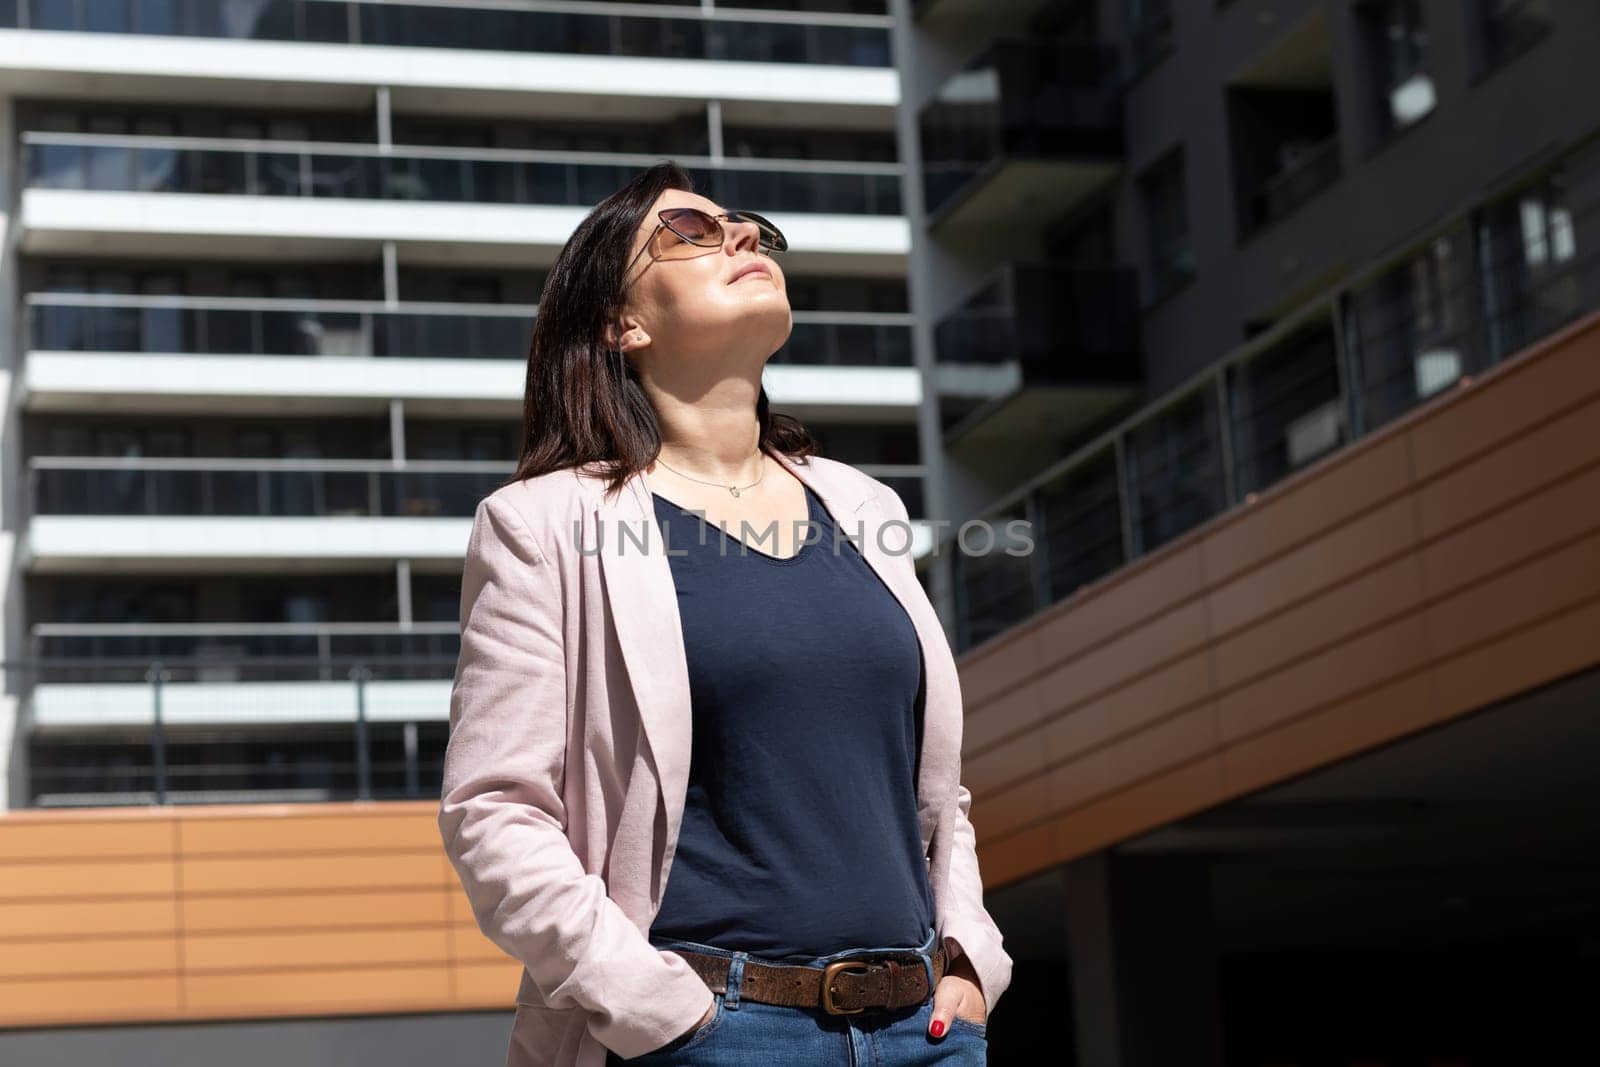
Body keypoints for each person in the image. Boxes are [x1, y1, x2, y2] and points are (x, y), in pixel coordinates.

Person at [438, 162, 1012, 1067]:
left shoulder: (866, 508)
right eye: (693, 233)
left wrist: (971, 958)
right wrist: (660, 1012)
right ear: (621, 323)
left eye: (747, 227)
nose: (742, 236)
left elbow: (935, 795)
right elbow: (493, 809)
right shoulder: (545, 524)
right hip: (715, 1031)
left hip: (928, 1031)